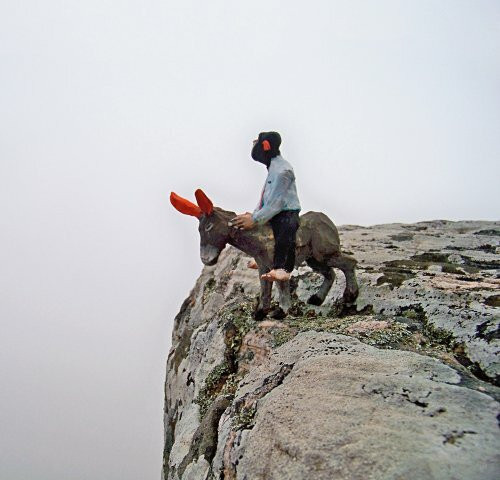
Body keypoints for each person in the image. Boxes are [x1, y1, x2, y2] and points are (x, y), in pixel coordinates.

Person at [231, 131, 301, 282]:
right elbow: (265, 197)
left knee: (284, 234)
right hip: (273, 209)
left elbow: (276, 203)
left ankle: (282, 268)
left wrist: (255, 218)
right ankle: (262, 257)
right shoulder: (273, 169)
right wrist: (254, 214)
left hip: (286, 211)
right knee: (263, 231)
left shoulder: (282, 171)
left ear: (266, 147)